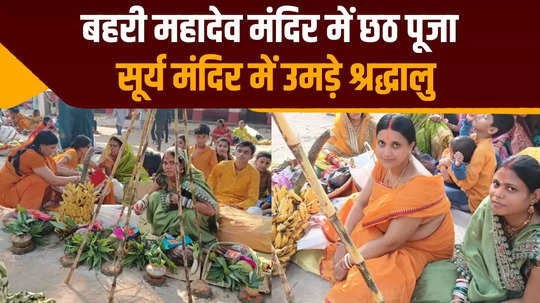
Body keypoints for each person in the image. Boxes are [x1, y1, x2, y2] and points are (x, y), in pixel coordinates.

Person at [320, 114, 455, 303]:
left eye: (396, 145)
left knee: (370, 283)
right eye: (381, 143)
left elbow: (391, 242)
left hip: (416, 246)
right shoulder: (384, 164)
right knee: (351, 205)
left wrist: (346, 261)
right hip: (392, 230)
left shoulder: (419, 184)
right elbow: (361, 203)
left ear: (411, 146)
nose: (386, 152)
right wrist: (344, 245)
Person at [412, 155, 540, 303]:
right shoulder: (489, 207)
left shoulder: (536, 243)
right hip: (476, 282)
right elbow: (472, 256)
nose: (497, 194)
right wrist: (458, 296)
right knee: (430, 283)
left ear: (534, 196)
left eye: (511, 189)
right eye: (496, 184)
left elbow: (529, 300)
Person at [132, 148, 218, 244]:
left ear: (182, 167)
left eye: (173, 163)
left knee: (190, 216)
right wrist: (142, 202)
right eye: (165, 163)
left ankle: (193, 239)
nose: (168, 167)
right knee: (155, 197)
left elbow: (210, 211)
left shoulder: (191, 182)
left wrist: (183, 201)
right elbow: (149, 194)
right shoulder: (163, 178)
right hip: (172, 210)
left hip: (191, 213)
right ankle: (166, 234)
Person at [441, 114, 514, 213]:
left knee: (437, 190)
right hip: (467, 188)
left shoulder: (482, 151)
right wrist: (466, 123)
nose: (479, 115)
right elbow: (462, 144)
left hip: (473, 200)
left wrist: (449, 166)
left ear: (492, 130)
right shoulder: (477, 138)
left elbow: (467, 183)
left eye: (485, 117)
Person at [0, 131, 80, 210]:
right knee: (40, 179)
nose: (54, 151)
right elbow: (53, 180)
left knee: (47, 178)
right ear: (42, 145)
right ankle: (28, 212)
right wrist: (75, 179)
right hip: (6, 195)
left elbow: (55, 168)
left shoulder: (40, 152)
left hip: (16, 189)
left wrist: (77, 174)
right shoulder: (31, 155)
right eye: (52, 148)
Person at [207, 141, 260, 210]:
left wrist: (237, 206)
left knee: (255, 210)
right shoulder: (222, 166)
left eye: (246, 152)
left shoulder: (254, 173)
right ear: (234, 153)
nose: (241, 154)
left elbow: (252, 199)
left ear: (251, 156)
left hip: (239, 206)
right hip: (218, 201)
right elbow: (209, 185)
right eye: (239, 151)